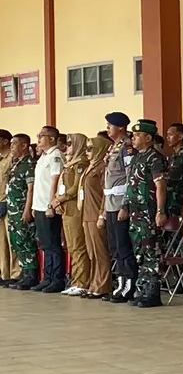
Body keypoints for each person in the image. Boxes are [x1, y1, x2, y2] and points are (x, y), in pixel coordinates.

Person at [122, 121, 168, 308]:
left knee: (151, 250)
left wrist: (160, 211)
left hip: (149, 212)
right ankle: (142, 289)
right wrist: (125, 206)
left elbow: (160, 186)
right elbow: (130, 184)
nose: (133, 139)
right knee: (139, 252)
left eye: (137, 135)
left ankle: (153, 292)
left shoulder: (155, 158)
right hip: (136, 213)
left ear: (148, 138)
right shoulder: (137, 157)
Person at [102, 112, 136, 302]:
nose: (107, 128)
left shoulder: (127, 147)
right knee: (115, 246)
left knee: (123, 246)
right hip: (110, 204)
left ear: (121, 127)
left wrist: (125, 206)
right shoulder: (113, 147)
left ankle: (129, 285)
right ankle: (120, 284)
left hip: (120, 203)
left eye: (110, 125)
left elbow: (130, 177)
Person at [52, 134, 90, 296]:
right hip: (66, 210)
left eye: (70, 144)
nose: (67, 147)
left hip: (75, 209)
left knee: (79, 246)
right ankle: (75, 280)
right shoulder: (70, 163)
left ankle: (82, 282)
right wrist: (57, 200)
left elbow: (75, 188)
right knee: (72, 247)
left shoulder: (80, 164)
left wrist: (59, 199)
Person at [31, 126, 65, 293]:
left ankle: (57, 279)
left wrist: (51, 204)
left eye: (41, 135)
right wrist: (34, 206)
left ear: (51, 139)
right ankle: (47, 277)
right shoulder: (43, 156)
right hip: (39, 206)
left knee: (52, 244)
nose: (38, 138)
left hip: (47, 206)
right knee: (45, 245)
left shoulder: (56, 156)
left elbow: (55, 181)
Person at [81, 135, 113, 299]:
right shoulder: (90, 166)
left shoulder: (102, 167)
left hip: (96, 214)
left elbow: (105, 193)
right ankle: (93, 283)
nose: (86, 152)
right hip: (87, 214)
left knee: (100, 252)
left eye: (90, 148)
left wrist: (102, 214)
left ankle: (103, 285)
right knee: (92, 252)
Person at [5, 134, 37, 290]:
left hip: (21, 210)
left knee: (26, 242)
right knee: (16, 242)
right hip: (12, 211)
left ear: (24, 146)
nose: (11, 147)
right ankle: (23, 274)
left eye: (14, 144)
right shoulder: (16, 164)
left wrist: (27, 210)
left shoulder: (29, 164)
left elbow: (31, 189)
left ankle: (31, 276)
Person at [163, 122, 183, 226]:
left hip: (180, 203)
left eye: (171, 135)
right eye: (167, 135)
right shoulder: (172, 156)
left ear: (180, 137)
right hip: (170, 203)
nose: (168, 138)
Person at [0, 130, 21, 285]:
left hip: (10, 203)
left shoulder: (12, 158)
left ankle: (15, 274)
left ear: (5, 141)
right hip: (0, 201)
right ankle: (4, 273)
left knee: (11, 240)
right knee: (1, 242)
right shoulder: (1, 159)